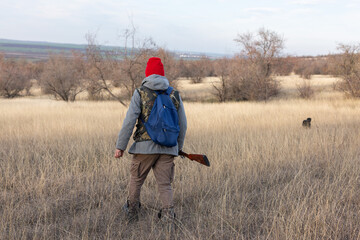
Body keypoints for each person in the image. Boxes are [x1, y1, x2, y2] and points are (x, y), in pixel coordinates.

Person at [114, 57, 187, 222]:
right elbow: (183, 123)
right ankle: (168, 217)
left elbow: (129, 121)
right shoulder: (174, 94)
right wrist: (178, 147)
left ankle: (132, 214)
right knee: (165, 185)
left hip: (143, 148)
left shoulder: (140, 92)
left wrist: (121, 146)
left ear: (147, 73)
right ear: (162, 74)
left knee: (136, 180)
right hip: (169, 147)